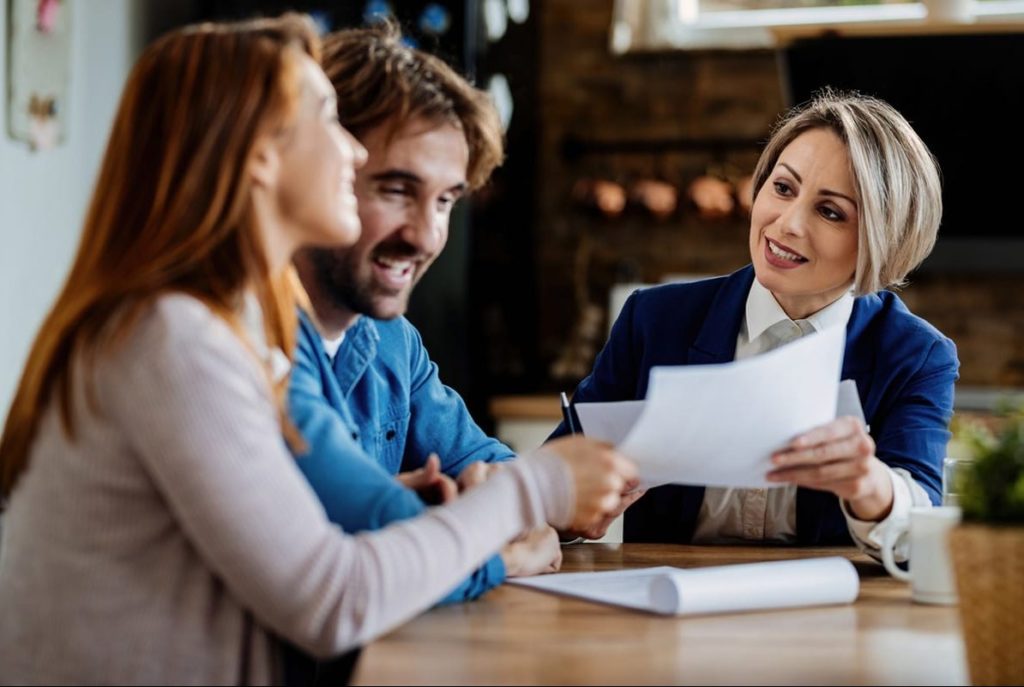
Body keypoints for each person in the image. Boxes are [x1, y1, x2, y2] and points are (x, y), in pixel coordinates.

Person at [0, 15, 635, 685]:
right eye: (329, 121)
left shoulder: (207, 330)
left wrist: (435, 515)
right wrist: (535, 490)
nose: (353, 153)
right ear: (258, 154)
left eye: (447, 198)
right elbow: (334, 596)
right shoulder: (176, 341)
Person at [553, 90, 958, 560]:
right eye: (783, 188)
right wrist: (570, 508)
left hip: (830, 613)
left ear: (884, 239)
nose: (786, 224)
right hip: (668, 607)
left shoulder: (915, 354)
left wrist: (870, 485)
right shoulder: (654, 320)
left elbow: (920, 523)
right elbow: (549, 489)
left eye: (830, 212)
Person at [287, 20, 551, 606]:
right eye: (396, 190)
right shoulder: (253, 339)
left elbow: (486, 464)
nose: (427, 236)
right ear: (318, 172)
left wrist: (497, 494)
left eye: (446, 200)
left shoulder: (391, 339)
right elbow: (347, 564)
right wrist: (499, 540)